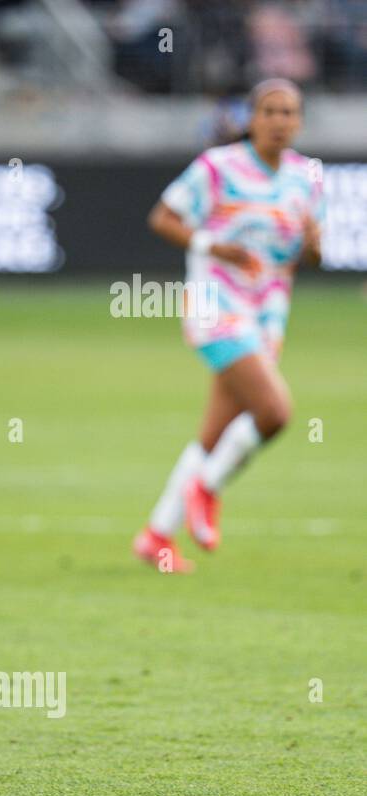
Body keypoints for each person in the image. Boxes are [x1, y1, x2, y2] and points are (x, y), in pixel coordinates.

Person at [134, 79, 323, 572]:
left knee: (213, 436)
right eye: (270, 111)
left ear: (299, 120)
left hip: (267, 314)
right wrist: (211, 246)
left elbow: (300, 256)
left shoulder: (307, 177)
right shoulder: (217, 167)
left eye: (289, 112)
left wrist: (313, 246)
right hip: (215, 304)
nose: (280, 120)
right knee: (275, 410)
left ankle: (156, 536)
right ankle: (207, 487)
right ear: (252, 118)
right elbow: (163, 217)